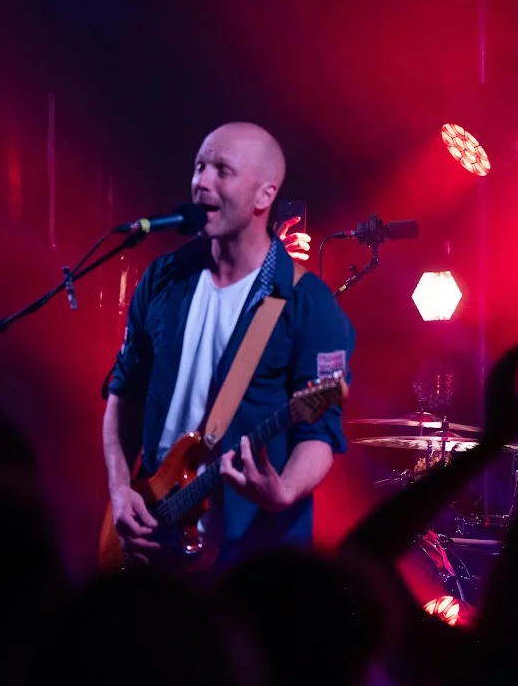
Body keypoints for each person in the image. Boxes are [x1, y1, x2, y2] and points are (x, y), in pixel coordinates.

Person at [102, 122, 355, 566]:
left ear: (265, 195)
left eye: (223, 170)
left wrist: (286, 490)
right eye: (199, 166)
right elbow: (124, 396)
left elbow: (318, 431)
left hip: (250, 558)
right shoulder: (163, 278)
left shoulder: (307, 302)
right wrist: (122, 491)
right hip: (153, 533)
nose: (202, 182)